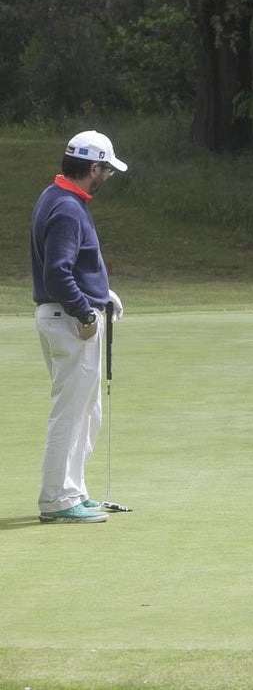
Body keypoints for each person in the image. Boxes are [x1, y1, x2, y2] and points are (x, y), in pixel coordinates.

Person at [30, 130, 127, 523]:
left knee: (87, 411)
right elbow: (57, 272)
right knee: (71, 413)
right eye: (107, 169)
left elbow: (70, 266)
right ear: (93, 168)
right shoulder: (68, 208)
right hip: (70, 321)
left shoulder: (57, 197)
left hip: (66, 315)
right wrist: (86, 312)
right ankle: (56, 500)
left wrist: (102, 293)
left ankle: (72, 490)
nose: (108, 176)